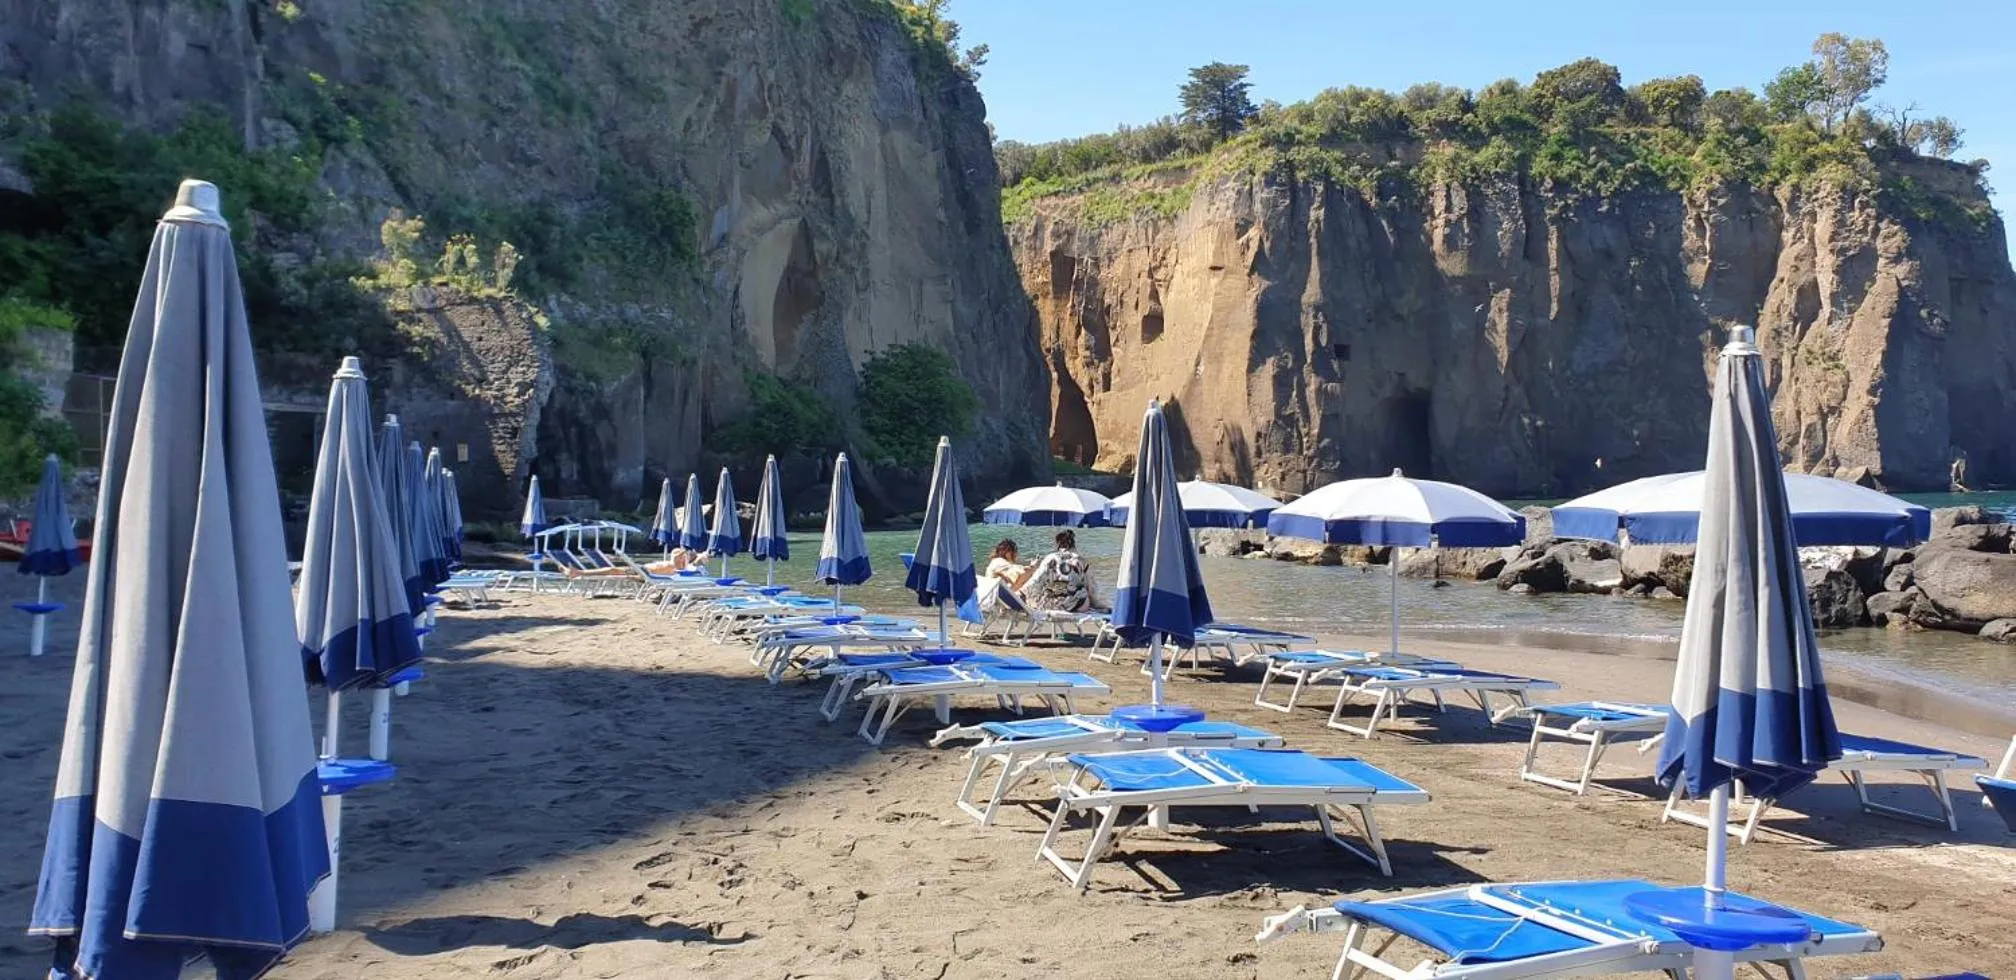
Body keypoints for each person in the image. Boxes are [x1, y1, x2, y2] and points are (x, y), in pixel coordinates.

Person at [1023, 529, 1107, 613]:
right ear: (1073, 544)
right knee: (1083, 590)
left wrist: (1021, 593)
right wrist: (1097, 604)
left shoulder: (1050, 558)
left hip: (1050, 604)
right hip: (1075, 606)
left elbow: (1035, 581)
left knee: (1048, 587)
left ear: (1058, 544)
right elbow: (1092, 589)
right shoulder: (1080, 560)